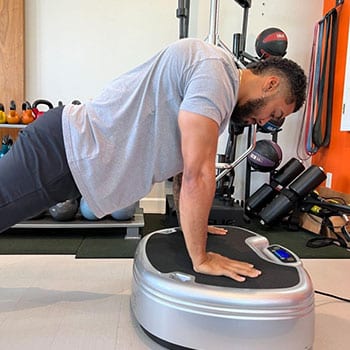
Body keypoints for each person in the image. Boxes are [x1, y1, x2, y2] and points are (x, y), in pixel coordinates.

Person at [0, 38, 306, 282]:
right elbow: (198, 173)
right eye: (275, 114)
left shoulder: (216, 80)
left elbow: (184, 168)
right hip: (62, 151)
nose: (264, 122)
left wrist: (193, 225)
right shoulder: (215, 75)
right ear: (270, 84)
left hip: (71, 155)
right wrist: (201, 258)